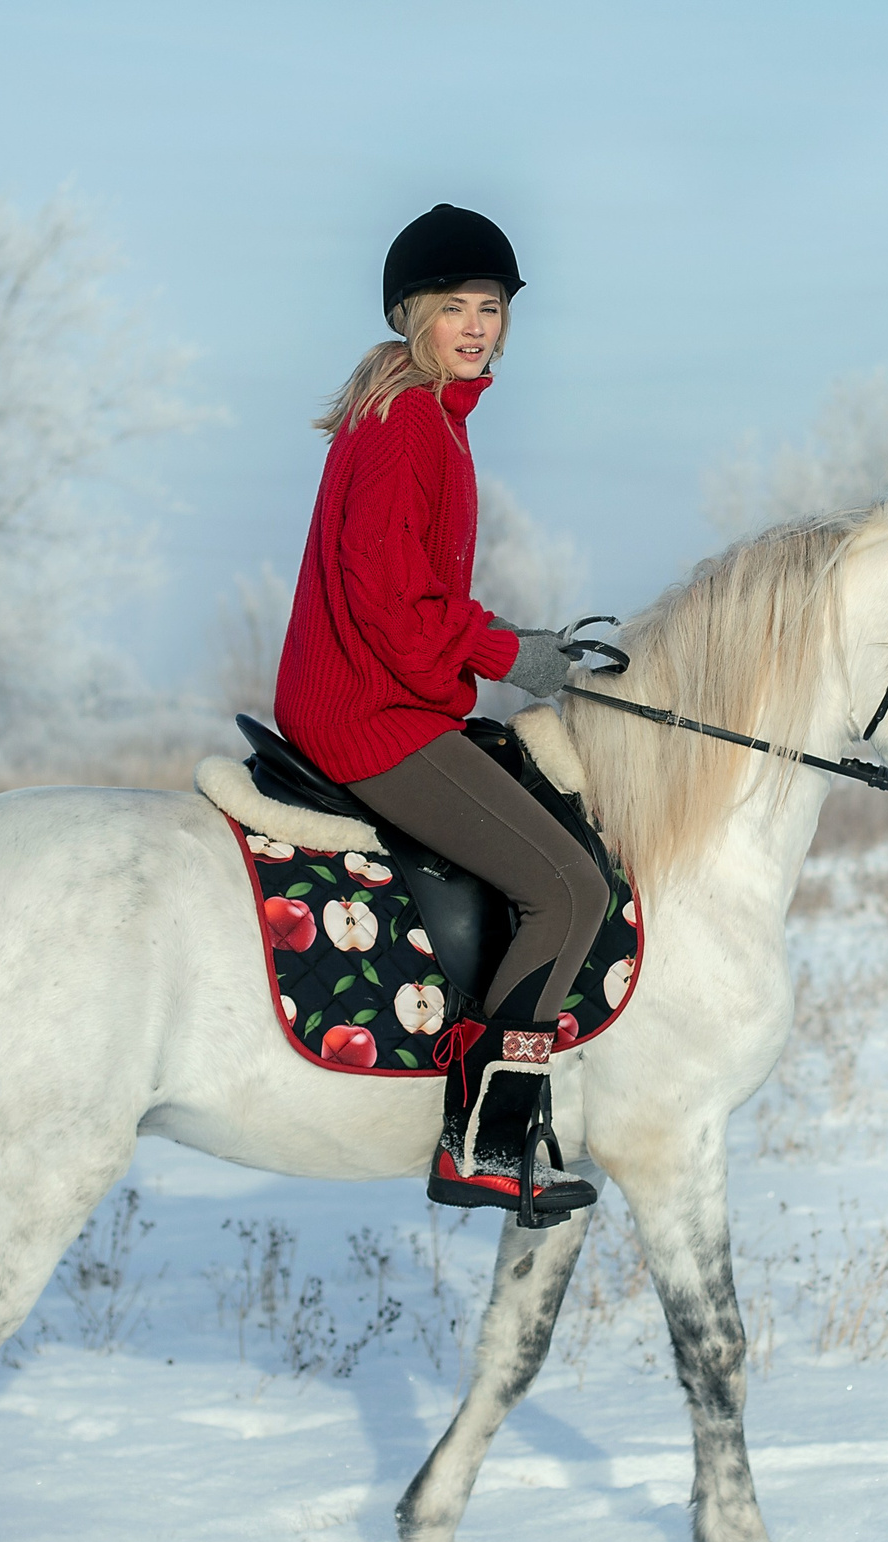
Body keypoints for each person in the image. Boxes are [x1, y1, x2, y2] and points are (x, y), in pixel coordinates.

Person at [273, 204, 609, 1220]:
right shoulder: (410, 421)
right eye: (453, 306)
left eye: (491, 307)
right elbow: (389, 604)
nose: (475, 325)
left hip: (388, 693)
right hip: (370, 711)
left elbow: (408, 586)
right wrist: (510, 654)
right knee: (569, 888)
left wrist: (501, 636)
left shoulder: (423, 417)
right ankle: (483, 1137)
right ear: (410, 313)